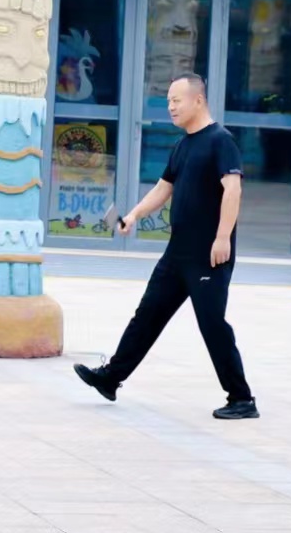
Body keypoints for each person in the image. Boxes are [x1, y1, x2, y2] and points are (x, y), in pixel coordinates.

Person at [72, 74, 258, 419]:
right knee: (148, 314)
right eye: (169, 100)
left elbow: (233, 190)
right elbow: (163, 188)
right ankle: (111, 377)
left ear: (198, 100)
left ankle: (242, 399)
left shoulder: (221, 141)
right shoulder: (183, 145)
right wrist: (133, 215)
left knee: (212, 324)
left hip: (208, 255)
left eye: (176, 100)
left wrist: (222, 237)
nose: (170, 107)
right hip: (177, 253)